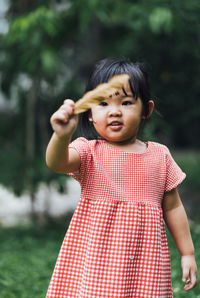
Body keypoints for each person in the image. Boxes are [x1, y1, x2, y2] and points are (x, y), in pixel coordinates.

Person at [45, 59, 197, 297]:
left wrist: (187, 253)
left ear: (146, 110)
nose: (115, 111)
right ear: (90, 113)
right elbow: (57, 162)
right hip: (97, 263)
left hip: (145, 265)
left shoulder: (160, 156)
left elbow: (173, 207)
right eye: (103, 103)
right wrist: (61, 137)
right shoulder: (88, 151)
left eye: (126, 103)